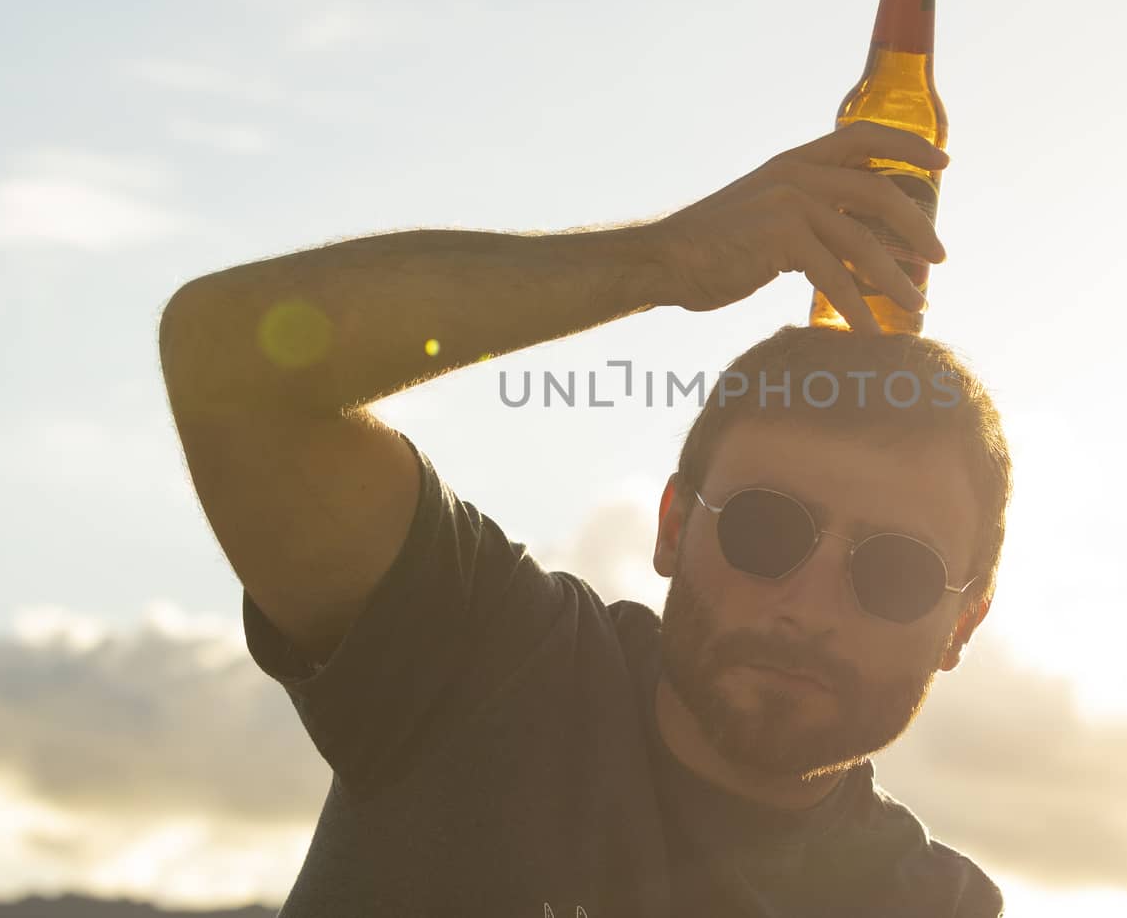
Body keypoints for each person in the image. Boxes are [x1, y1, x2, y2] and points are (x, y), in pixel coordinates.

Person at [158, 120, 1012, 916]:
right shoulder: (484, 660)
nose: (812, 602)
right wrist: (662, 261)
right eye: (767, 529)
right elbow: (227, 357)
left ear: (961, 623)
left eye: (894, 571)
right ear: (674, 527)